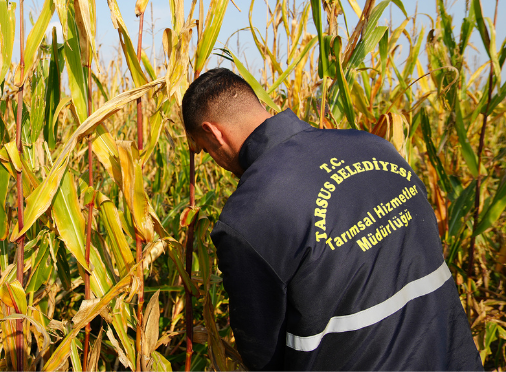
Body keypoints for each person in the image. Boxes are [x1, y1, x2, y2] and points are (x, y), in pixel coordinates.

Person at [181, 68, 482, 370]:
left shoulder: (247, 218)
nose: (216, 162)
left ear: (213, 132)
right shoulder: (376, 147)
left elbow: (263, 356)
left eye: (207, 151)